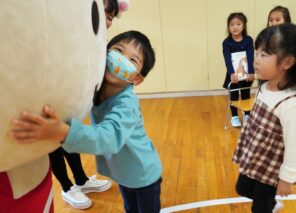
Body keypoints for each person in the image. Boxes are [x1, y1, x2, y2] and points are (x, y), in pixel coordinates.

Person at [9, 30, 162, 213]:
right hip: (125, 175)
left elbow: (109, 138)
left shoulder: (127, 104)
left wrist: (64, 133)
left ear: (136, 78)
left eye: (132, 60)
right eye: (118, 50)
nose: (121, 59)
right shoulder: (97, 89)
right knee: (130, 209)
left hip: (144, 175)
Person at [48, 0, 127, 209]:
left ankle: (81, 180)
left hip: (71, 96)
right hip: (51, 93)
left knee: (69, 135)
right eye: (104, 14)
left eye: (111, 17)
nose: (107, 21)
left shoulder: (96, 36)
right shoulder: (69, 29)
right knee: (53, 142)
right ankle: (67, 188)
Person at [233, 23, 296, 213]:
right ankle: (270, 202)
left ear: (287, 63)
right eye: (257, 52)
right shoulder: (264, 86)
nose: (256, 60)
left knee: (259, 208)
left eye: (264, 55)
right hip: (257, 154)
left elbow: (294, 146)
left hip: (272, 167)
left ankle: (268, 204)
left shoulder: (289, 104)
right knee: (242, 188)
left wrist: (286, 179)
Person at [222, 12, 255, 127]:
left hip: (247, 74)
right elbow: (227, 59)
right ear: (228, 27)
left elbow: (251, 56)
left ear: (243, 26)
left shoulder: (248, 40)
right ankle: (234, 117)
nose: (235, 27)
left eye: (238, 24)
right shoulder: (227, 43)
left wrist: (251, 72)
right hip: (233, 75)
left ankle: (247, 114)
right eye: (232, 25)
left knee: (246, 94)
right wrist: (232, 74)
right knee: (234, 95)